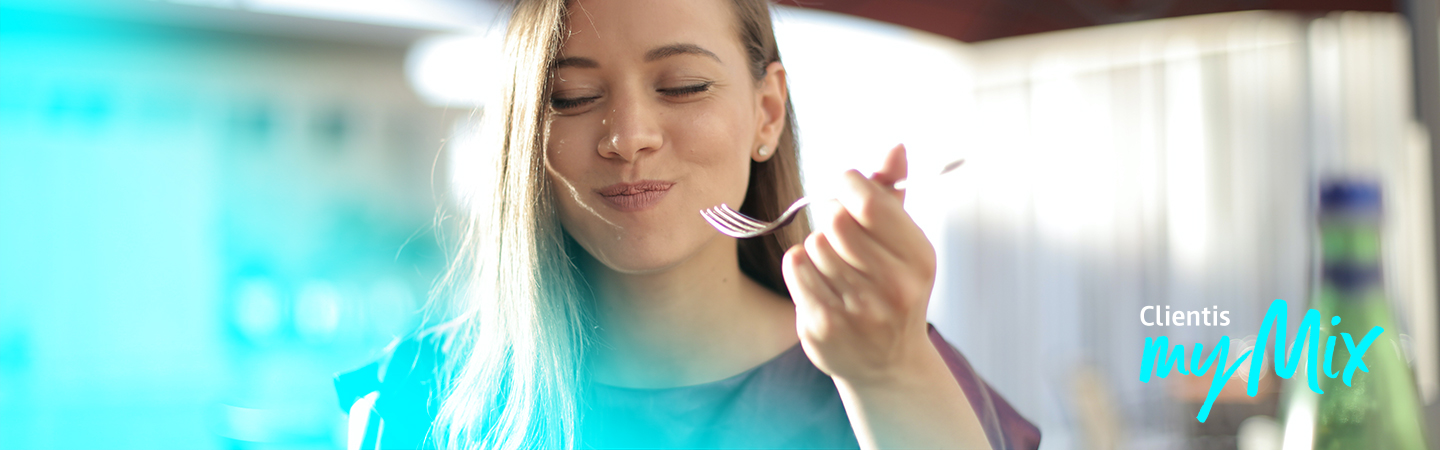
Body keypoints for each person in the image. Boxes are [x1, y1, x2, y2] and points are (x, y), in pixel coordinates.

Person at [334, 0, 1041, 448]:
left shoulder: (886, 367)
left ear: (767, 114)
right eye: (573, 97)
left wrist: (891, 379)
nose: (629, 136)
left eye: (683, 86)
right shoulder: (425, 396)